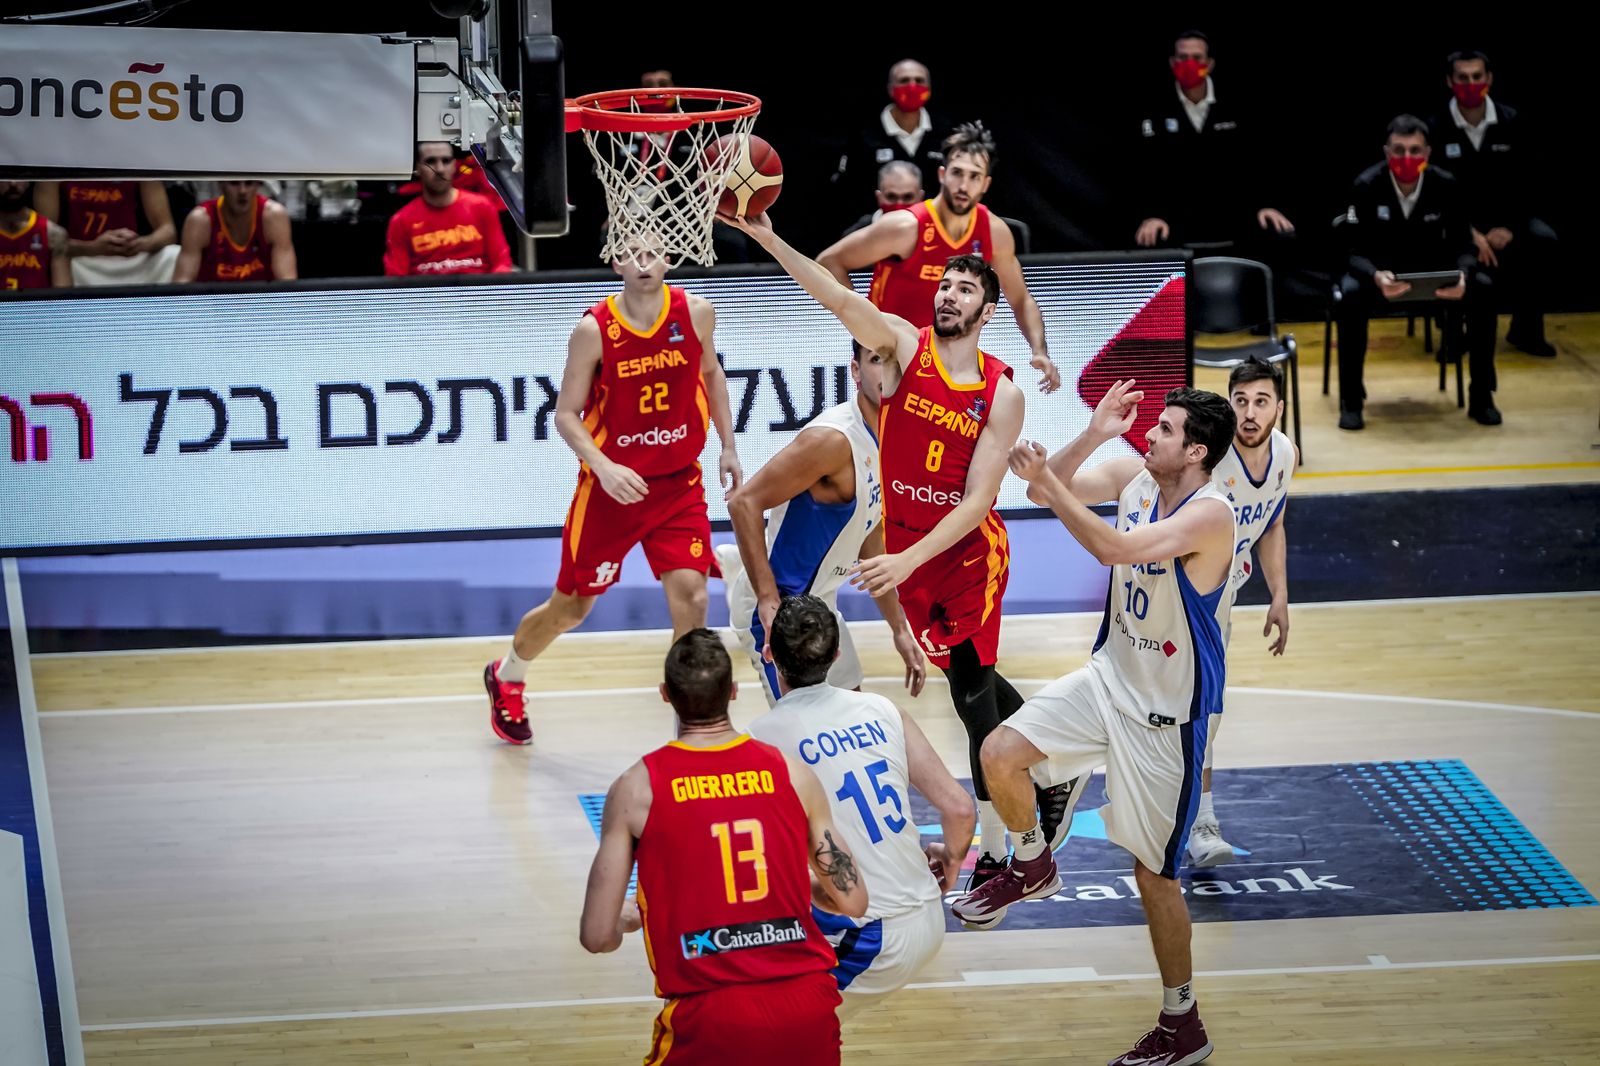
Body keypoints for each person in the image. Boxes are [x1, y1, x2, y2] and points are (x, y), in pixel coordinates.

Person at [722, 208, 1076, 902]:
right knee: (955, 688)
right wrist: (767, 235)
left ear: (988, 310)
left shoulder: (1000, 391)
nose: (948, 293)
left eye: (966, 289)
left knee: (971, 691)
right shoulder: (904, 349)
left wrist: (906, 572)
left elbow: (978, 500)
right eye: (944, 284)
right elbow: (835, 293)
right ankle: (1046, 768)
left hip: (963, 549)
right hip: (904, 554)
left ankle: (1011, 853)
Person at [952, 380, 1235, 1065]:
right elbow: (1051, 485)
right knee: (998, 752)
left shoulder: (1211, 515)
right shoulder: (1138, 478)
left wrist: (1055, 486)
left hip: (1166, 717)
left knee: (1153, 878)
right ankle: (1031, 862)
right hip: (1111, 677)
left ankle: (1181, 1023)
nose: (1151, 435)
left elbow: (1113, 549)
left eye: (1164, 430)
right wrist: (1095, 432)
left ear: (1195, 452)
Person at [483, 238, 742, 744]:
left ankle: (689, 729)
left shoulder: (695, 312)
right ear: (614, 259)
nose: (644, 262)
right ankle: (507, 674)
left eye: (655, 252)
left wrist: (728, 445)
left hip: (677, 484)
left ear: (671, 256)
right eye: (632, 252)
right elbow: (564, 414)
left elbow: (711, 374)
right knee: (572, 608)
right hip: (613, 491)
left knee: (691, 597)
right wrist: (602, 467)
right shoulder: (593, 330)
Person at [579, 628, 866, 1065]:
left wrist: (628, 919)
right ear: (733, 692)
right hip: (807, 1006)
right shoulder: (791, 773)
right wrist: (792, 883)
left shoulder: (637, 788)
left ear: (665, 696)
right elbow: (853, 900)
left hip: (713, 1015)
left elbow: (597, 937)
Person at [746, 595, 973, 1016]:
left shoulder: (759, 739)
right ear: (836, 655)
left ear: (768, 654)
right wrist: (953, 859)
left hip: (870, 934)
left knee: (762, 1026)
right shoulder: (883, 709)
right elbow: (959, 809)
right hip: (926, 915)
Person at [717, 336, 925, 705]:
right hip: (778, 610)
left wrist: (899, 628)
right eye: (877, 359)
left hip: (820, 603)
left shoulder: (898, 437)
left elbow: (870, 536)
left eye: (895, 362)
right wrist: (767, 600)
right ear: (857, 372)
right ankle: (742, 577)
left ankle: (736, 567)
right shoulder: (833, 440)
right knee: (803, 734)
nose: (887, 371)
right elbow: (743, 502)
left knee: (850, 713)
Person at [818, 123, 1059, 392]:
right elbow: (829, 262)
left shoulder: (993, 232)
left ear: (985, 184)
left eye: (974, 176)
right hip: (890, 357)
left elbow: (1021, 299)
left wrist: (1040, 350)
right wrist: (862, 323)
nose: (963, 185)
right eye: (957, 173)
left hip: (947, 360)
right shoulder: (906, 226)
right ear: (942, 174)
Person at [1189, 357, 1294, 866]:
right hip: (1177, 596)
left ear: (1280, 407)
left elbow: (1271, 523)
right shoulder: (1208, 457)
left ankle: (1196, 816)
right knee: (1191, 707)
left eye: (1261, 401)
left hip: (1221, 600)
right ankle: (1193, 816)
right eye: (1241, 401)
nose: (1250, 413)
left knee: (1205, 710)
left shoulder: (1285, 455)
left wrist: (1279, 594)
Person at [1336, 115, 1498, 429]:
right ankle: (1351, 400)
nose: (1406, 158)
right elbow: (1350, 251)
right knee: (1350, 295)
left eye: (1414, 150)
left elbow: (1466, 244)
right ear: (1386, 152)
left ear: (1427, 153)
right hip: (1383, 278)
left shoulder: (1446, 184)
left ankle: (1482, 397)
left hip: (1435, 278)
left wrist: (1463, 274)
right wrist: (1375, 275)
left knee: (1485, 288)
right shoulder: (1366, 185)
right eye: (1399, 150)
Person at [1429, 50, 1558, 359]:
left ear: (1489, 79)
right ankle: (1453, 333)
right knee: (1441, 241)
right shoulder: (1435, 126)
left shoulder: (1513, 121)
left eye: (1477, 77)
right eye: (1462, 78)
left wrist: (1510, 228)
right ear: (1450, 82)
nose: (1470, 83)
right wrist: (1469, 232)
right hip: (1458, 222)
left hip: (1507, 218)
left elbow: (1531, 182)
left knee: (1543, 239)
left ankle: (1526, 328)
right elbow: (1432, 192)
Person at [1133, 30, 1295, 252]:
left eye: (1197, 57)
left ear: (1209, 64)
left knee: (1278, 234)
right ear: (1172, 62)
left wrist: (1264, 205)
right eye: (1182, 57)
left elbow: (1258, 161)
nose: (1189, 63)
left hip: (1234, 214)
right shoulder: (1153, 109)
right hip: (1175, 219)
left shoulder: (1238, 104)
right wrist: (1152, 215)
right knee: (1148, 239)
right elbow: (1144, 171)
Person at [830, 59, 954, 225]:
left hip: (933, 230)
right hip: (875, 230)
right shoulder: (864, 135)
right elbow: (848, 192)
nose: (912, 86)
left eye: (919, 81)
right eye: (904, 80)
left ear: (929, 89)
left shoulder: (946, 133)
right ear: (890, 89)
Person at [384, 142, 513, 276]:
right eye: (431, 161)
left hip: (477, 293)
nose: (439, 169)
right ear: (418, 168)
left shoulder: (482, 207)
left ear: (454, 166)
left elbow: (501, 263)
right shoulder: (400, 221)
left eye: (446, 161)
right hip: (428, 295)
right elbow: (395, 277)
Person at [33, 180, 178, 286]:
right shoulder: (55, 164)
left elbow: (168, 231)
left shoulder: (138, 161)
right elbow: (45, 239)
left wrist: (140, 244)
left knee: (173, 254)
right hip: (81, 261)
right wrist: (93, 248)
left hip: (131, 259)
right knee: (55, 261)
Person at [173, 180, 297, 283]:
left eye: (248, 183)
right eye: (234, 183)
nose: (242, 191)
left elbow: (287, 283)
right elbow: (181, 285)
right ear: (220, 184)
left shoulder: (274, 216)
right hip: (212, 307)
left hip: (261, 308)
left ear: (258, 184)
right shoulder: (200, 220)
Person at [0, 181, 71, 290]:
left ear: (28, 182)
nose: (13, 183)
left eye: (18, 177)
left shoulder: (53, 234)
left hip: (37, 306)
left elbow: (63, 294)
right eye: (6, 177)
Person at [840, 161, 924, 239]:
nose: (899, 204)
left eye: (907, 197)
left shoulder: (933, 231)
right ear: (879, 197)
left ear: (920, 197)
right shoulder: (854, 236)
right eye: (891, 197)